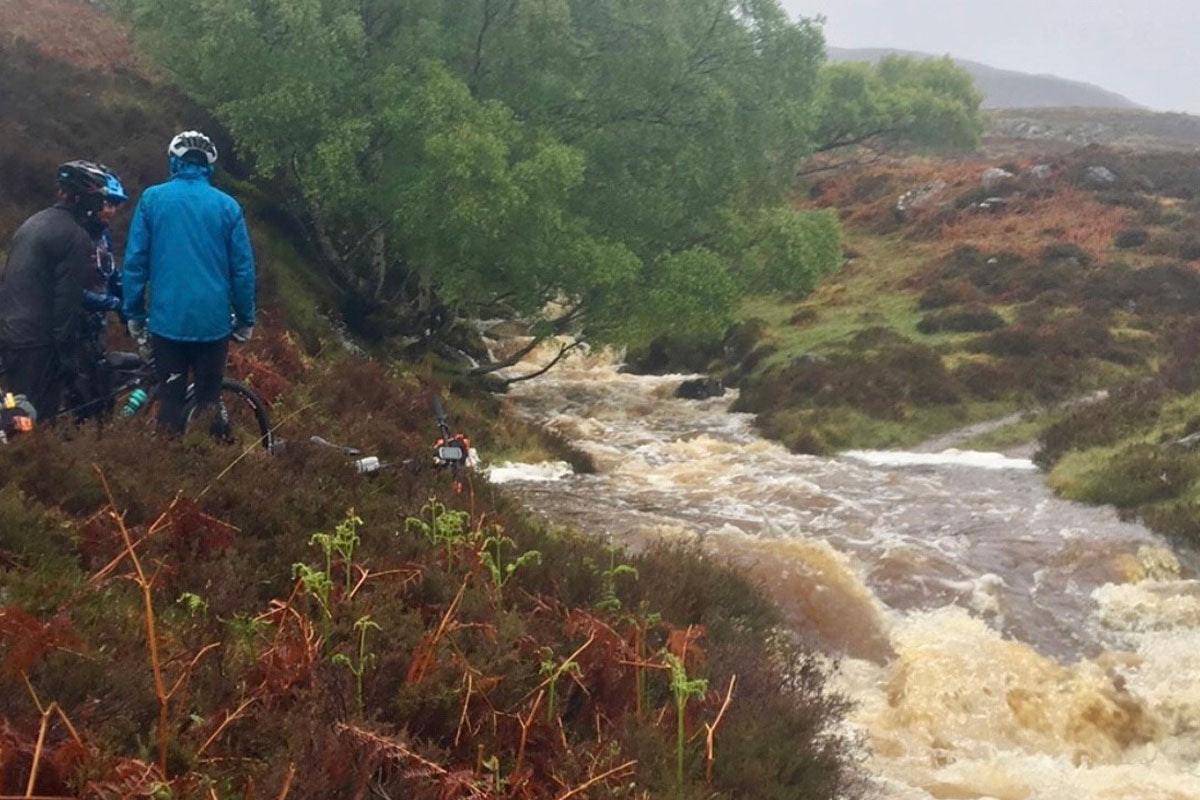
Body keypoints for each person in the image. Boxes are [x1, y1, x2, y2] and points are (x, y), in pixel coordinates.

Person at [122, 130, 256, 437]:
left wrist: (134, 314)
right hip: (213, 325)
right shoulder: (228, 207)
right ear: (208, 165)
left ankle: (168, 468)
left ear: (173, 161)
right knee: (209, 400)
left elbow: (135, 263)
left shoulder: (152, 199)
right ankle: (209, 468)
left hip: (167, 322)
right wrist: (246, 318)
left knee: (169, 399)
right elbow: (243, 271)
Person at [0, 161, 110, 421]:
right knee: (33, 424)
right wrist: (68, 357)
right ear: (84, 199)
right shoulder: (75, 236)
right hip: (39, 342)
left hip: (12, 333)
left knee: (16, 411)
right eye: (98, 198)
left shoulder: (32, 223)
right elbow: (66, 304)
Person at [73, 168, 130, 419]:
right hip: (69, 329)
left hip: (96, 330)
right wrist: (112, 302)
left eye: (115, 205)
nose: (110, 210)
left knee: (103, 397)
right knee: (80, 400)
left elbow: (112, 276)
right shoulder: (74, 234)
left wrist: (130, 309)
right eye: (107, 203)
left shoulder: (103, 237)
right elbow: (71, 290)